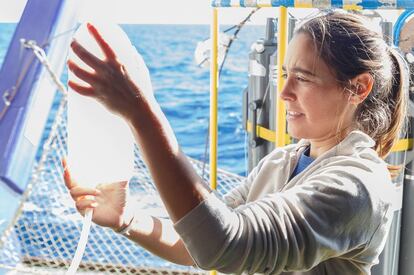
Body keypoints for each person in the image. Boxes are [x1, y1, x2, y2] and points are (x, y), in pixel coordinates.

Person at [63, 11, 408, 275]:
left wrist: (140, 112)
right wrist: (127, 219)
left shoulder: (357, 186)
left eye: (302, 78)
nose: (284, 93)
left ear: (359, 88)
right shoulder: (282, 160)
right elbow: (195, 243)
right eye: (284, 75)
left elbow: (224, 244)